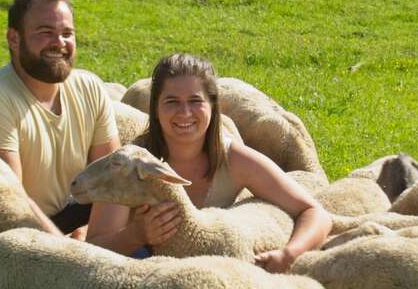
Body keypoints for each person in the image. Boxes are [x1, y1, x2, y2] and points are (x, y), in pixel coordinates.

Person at [86, 53, 332, 272]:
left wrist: (289, 254)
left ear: (213, 106)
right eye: (171, 101)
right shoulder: (129, 166)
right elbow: (92, 249)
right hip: (141, 275)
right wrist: (137, 235)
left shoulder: (234, 160)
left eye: (195, 101)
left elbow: (315, 213)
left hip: (213, 274)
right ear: (156, 109)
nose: (184, 112)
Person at [0, 0, 120, 235]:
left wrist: (92, 233)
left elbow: (112, 180)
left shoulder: (89, 88)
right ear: (14, 39)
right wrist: (70, 250)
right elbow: (9, 208)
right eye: (45, 32)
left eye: (67, 33)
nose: (59, 43)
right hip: (17, 236)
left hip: (77, 226)